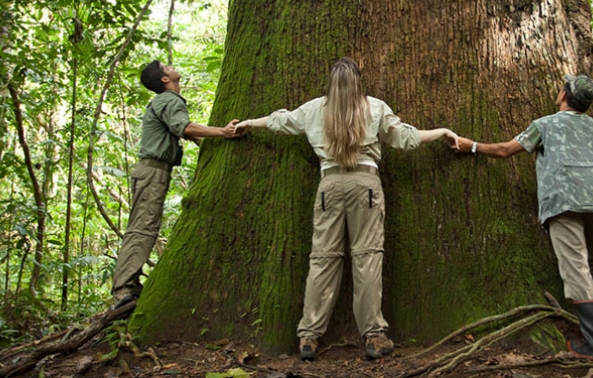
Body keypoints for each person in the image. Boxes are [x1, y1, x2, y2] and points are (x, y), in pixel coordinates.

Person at [233, 57, 457, 362]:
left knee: (323, 259)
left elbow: (280, 120)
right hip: (364, 185)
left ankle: (309, 337)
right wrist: (442, 131)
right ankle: (374, 337)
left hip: (329, 186)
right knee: (366, 258)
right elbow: (405, 138)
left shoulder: (314, 109)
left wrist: (249, 122)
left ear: (330, 83)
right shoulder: (375, 107)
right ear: (358, 82)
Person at [452, 75, 593, 360]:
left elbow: (505, 150)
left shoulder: (545, 124)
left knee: (576, 268)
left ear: (563, 95)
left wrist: (471, 146)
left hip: (566, 202)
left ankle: (592, 345)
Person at [111, 61, 240, 309]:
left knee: (143, 225)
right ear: (164, 79)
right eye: (166, 66)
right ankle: (123, 291)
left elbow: (185, 132)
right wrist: (224, 132)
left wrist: (203, 138)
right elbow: (184, 127)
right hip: (152, 172)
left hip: (150, 171)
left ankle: (131, 285)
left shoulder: (163, 103)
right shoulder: (170, 100)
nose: (171, 66)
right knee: (143, 227)